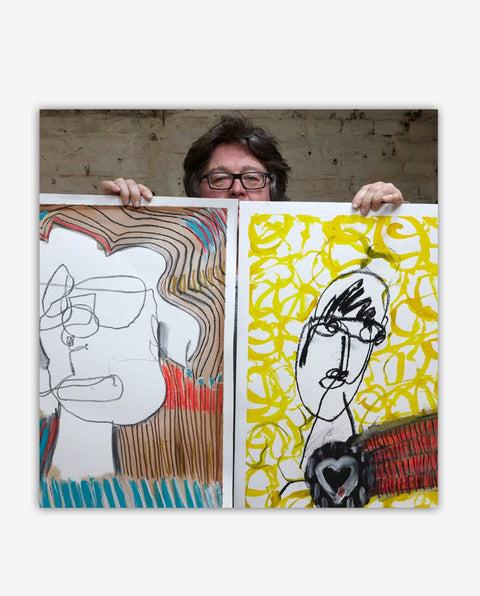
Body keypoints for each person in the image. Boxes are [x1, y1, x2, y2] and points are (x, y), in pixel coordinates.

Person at [100, 114, 404, 214]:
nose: (237, 190)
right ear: (197, 189)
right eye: (220, 178)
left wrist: (390, 218)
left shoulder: (310, 252)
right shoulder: (170, 248)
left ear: (272, 188)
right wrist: (113, 214)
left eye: (252, 178)